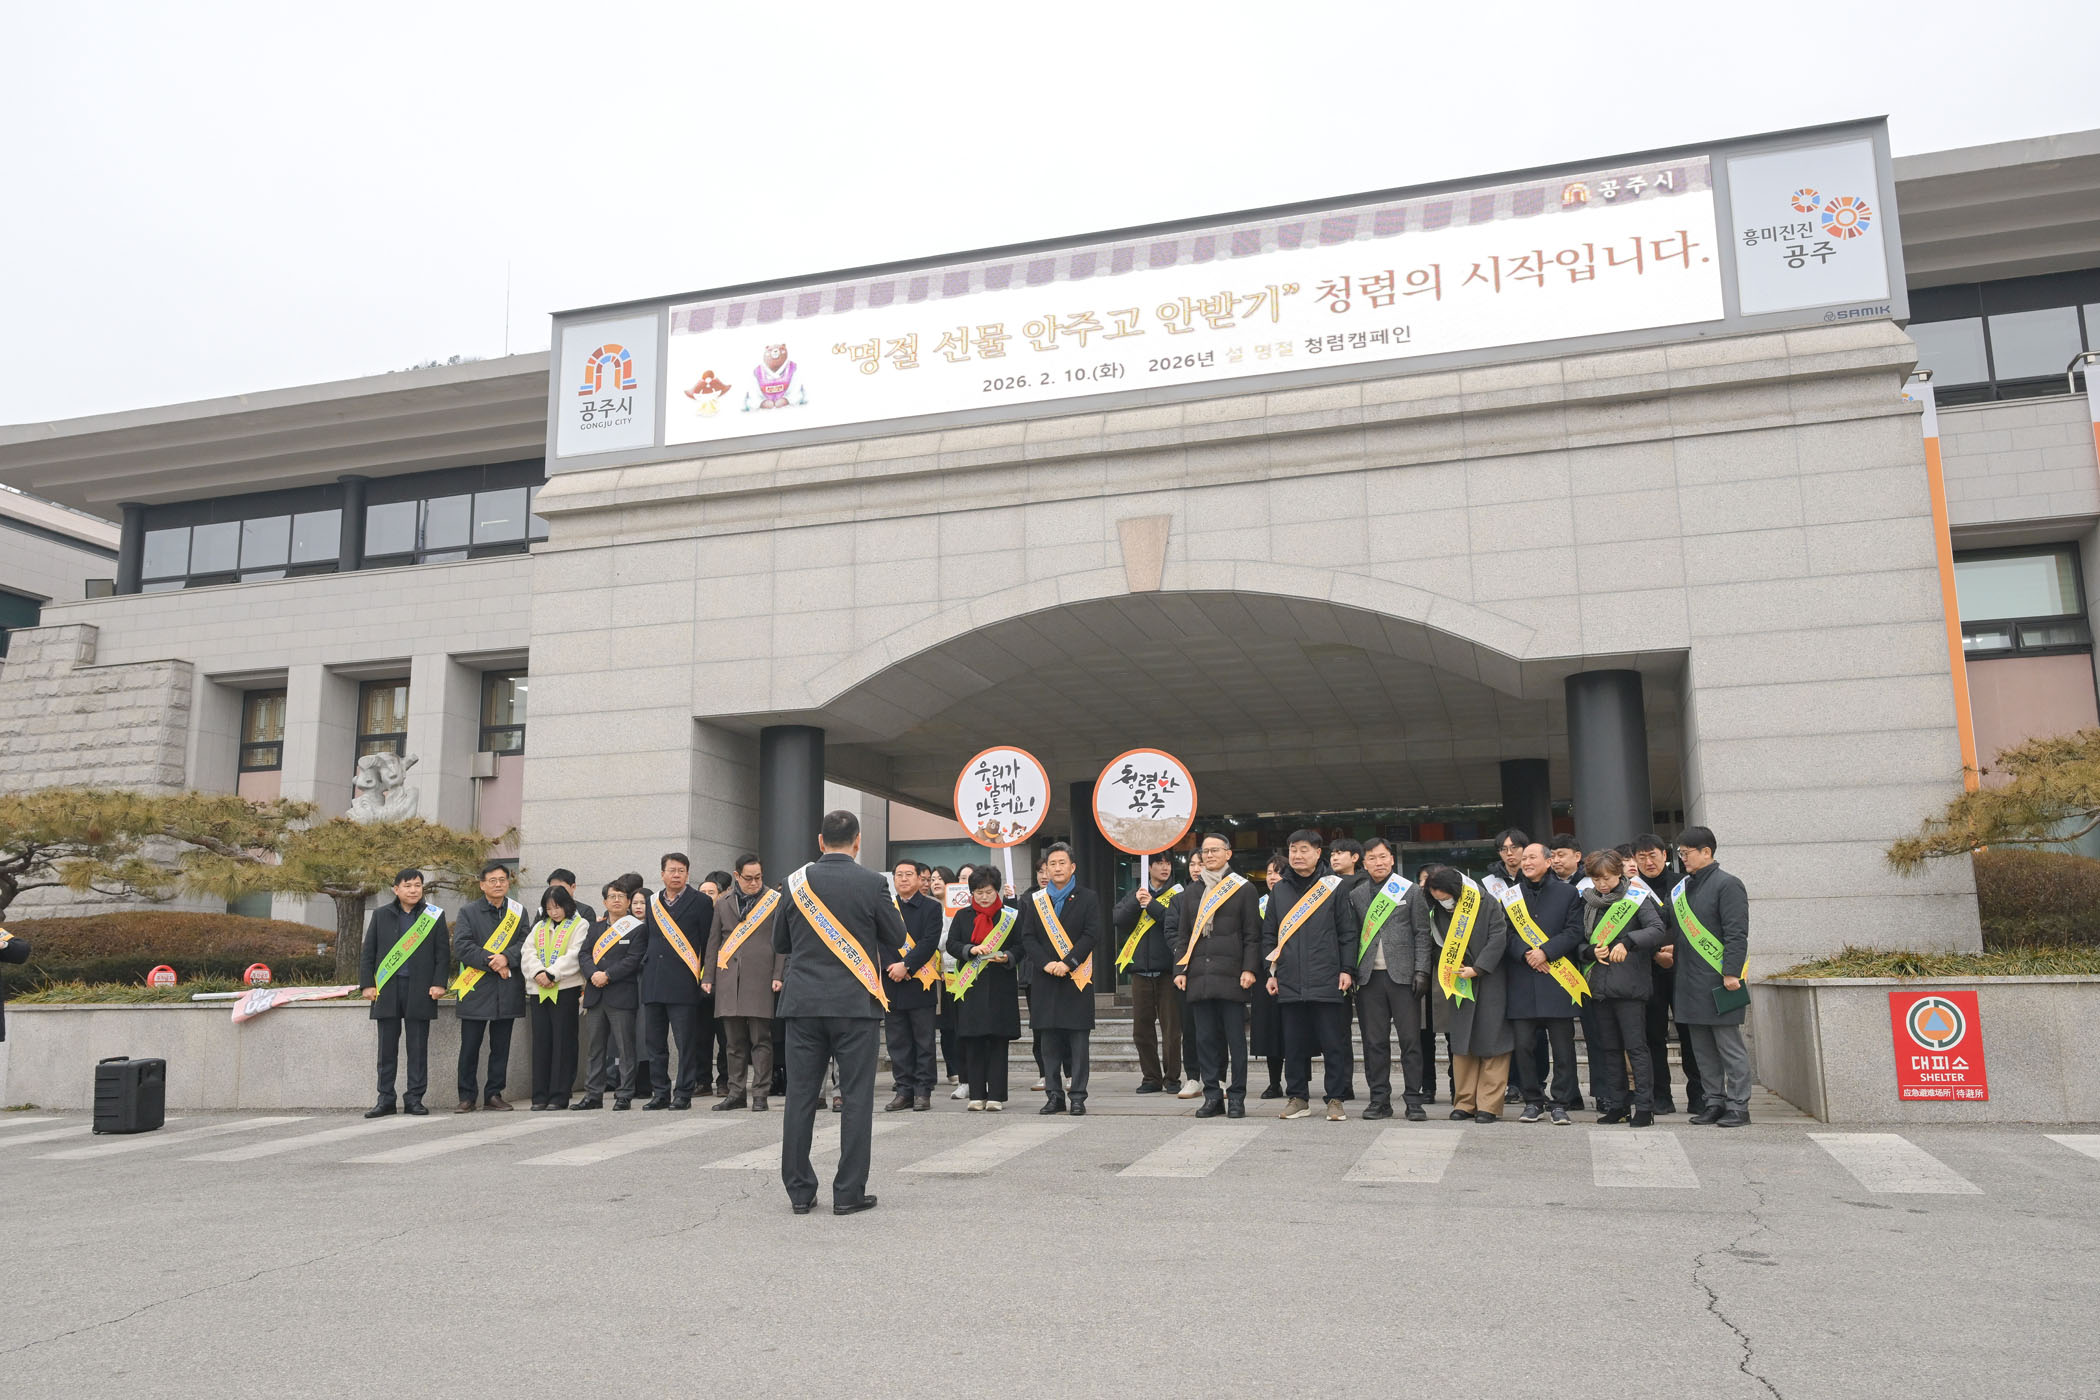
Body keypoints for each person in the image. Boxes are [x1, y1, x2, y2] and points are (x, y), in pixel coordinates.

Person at [775, 808, 909, 1216]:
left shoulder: (794, 883)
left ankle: (800, 1193)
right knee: (856, 1099)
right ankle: (848, 1193)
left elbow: (781, 942)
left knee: (800, 1097)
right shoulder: (873, 883)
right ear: (858, 841)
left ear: (820, 841)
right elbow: (897, 935)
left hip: (803, 1004)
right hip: (854, 1006)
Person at [1262, 830, 1355, 1122]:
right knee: (1293, 1044)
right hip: (1289, 978)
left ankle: (1335, 1099)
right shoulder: (1280, 890)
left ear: (1317, 852)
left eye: (1304, 849)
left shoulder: (1335, 887)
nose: (1297, 855)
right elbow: (1269, 935)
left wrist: (1347, 969)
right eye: (1293, 850)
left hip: (1327, 977)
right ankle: (1298, 1098)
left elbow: (1347, 932)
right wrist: (1270, 972)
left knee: (1333, 1043)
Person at [1492, 842, 1586, 1125]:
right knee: (1524, 1047)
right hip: (1522, 980)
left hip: (1557, 979)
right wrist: (1525, 953)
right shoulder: (1510, 896)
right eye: (1524, 859)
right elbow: (1505, 933)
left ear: (1548, 862)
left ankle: (1560, 1102)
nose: (1526, 862)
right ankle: (1533, 1101)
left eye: (1532, 857)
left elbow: (1575, 931)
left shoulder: (1568, 893)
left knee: (1563, 1049)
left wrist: (1546, 952)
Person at [1574, 850, 1670, 1125]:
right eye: (1596, 879)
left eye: (1607, 878)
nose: (1602, 884)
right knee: (1610, 1048)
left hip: (1629, 986)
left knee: (1636, 1048)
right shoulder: (1588, 901)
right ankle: (1618, 1105)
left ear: (1619, 873)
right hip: (1598, 985)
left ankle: (1644, 1107)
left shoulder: (1636, 897)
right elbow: (1578, 939)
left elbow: (1657, 929)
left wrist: (1628, 942)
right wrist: (1590, 951)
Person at [1171, 830, 1262, 1118]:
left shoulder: (1243, 888)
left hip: (1232, 975)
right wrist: (1180, 969)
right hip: (1200, 975)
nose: (1209, 855)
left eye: (1215, 850)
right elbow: (1183, 935)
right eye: (1205, 851)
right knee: (1205, 1040)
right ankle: (1212, 1096)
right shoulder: (1192, 891)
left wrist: (1249, 968)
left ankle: (1237, 1097)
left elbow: (1252, 935)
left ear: (1228, 853)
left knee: (1236, 1041)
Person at [1671, 826, 1753, 1127]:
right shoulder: (1683, 888)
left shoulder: (1728, 884)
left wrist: (1731, 972)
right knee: (1702, 1050)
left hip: (1720, 980)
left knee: (1729, 1048)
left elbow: (1736, 933)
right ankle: (1714, 1101)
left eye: (1686, 853)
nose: (1682, 859)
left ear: (1706, 852)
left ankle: (1739, 1105)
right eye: (1680, 854)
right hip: (1688, 980)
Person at [1349, 838, 1433, 1121]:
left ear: (1392, 859)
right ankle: (1379, 1100)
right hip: (1369, 979)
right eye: (1372, 858)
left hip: (1404, 978)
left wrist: (1422, 971)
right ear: (1364, 863)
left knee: (1410, 1041)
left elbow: (1422, 933)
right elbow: (1352, 936)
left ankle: (1414, 1100)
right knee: (1374, 1042)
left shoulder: (1411, 890)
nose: (1378, 862)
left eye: (1383, 856)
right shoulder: (1357, 895)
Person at [356, 867, 450, 1118]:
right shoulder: (381, 915)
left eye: (417, 885)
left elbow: (443, 953)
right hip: (387, 988)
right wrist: (367, 984)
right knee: (386, 1048)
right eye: (408, 886)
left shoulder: (433, 916)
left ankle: (414, 1099)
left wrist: (440, 983)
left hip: (420, 989)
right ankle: (385, 1099)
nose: (413, 890)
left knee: (417, 1047)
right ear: (396, 889)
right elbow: (369, 952)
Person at [1018, 841, 1101, 1115]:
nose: (1056, 868)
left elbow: (1091, 934)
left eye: (1061, 863)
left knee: (1078, 1043)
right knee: (1049, 1042)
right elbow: (1028, 937)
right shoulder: (1036, 901)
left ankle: (1077, 1096)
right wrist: (1047, 963)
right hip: (1045, 980)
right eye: (1051, 864)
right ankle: (1054, 1096)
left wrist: (1068, 963)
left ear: (1072, 866)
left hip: (1076, 978)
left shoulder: (1088, 898)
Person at [1425, 867, 1512, 1121]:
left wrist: (1479, 967)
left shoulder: (1486, 902)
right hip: (1459, 980)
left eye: (1446, 898)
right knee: (1462, 1044)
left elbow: (1498, 936)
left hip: (1489, 979)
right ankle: (1464, 1102)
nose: (1444, 903)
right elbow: (1436, 944)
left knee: (1493, 1041)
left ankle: (1489, 1105)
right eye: (1438, 899)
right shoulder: (1437, 910)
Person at [701, 854, 785, 1111]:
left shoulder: (774, 901)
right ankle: (736, 1093)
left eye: (758, 877)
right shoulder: (723, 903)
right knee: (733, 1042)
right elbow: (714, 941)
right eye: (748, 878)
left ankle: (760, 1094)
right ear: (736, 876)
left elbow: (782, 942)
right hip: (728, 978)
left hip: (761, 977)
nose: (754, 883)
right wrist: (708, 977)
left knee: (761, 1040)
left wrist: (778, 974)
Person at [639, 852, 715, 1110]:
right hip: (653, 981)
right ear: (662, 874)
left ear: (687, 874)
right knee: (655, 1044)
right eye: (671, 870)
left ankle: (683, 1092)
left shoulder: (701, 902)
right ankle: (660, 1093)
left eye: (681, 871)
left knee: (686, 1043)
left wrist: (705, 977)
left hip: (684, 983)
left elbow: (708, 942)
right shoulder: (652, 902)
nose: (676, 875)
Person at [450, 861, 527, 1112]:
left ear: (508, 883)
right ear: (482, 885)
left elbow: (526, 942)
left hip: (507, 988)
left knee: (501, 1047)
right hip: (476, 988)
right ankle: (466, 1097)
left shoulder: (518, 911)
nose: (498, 884)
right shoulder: (468, 912)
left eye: (502, 880)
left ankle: (494, 1094)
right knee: (470, 1047)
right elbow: (462, 946)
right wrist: (493, 962)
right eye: (492, 880)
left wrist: (507, 958)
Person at [946, 865, 1023, 1111]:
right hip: (971, 986)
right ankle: (977, 1095)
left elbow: (1021, 945)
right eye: (978, 892)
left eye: (988, 892)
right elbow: (952, 944)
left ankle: (997, 1096)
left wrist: (1008, 956)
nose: (984, 897)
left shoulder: (1009, 916)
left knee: (998, 1041)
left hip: (1000, 985)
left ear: (996, 890)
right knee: (974, 1040)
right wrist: (970, 950)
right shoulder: (963, 916)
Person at [1633, 834, 1698, 1115]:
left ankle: (1698, 1096)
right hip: (1648, 972)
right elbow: (1629, 930)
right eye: (1642, 857)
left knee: (1689, 1034)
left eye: (1653, 855)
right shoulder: (1630, 889)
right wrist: (1654, 954)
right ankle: (1661, 1097)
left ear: (1664, 855)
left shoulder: (1684, 884)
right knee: (1654, 1037)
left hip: (1682, 970)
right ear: (1635, 860)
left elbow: (1695, 924)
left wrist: (1676, 951)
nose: (1648, 862)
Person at [1113, 851, 1185, 1095]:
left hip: (1168, 972)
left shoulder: (1178, 894)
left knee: (1171, 1029)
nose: (1164, 868)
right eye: (1159, 863)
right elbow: (1119, 920)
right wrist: (1137, 902)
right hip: (1140, 972)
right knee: (1142, 1030)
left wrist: (1152, 905)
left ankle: (1172, 1078)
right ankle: (1151, 1077)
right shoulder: (1135, 894)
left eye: (1168, 863)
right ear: (1149, 867)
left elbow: (1177, 923)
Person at [882, 859, 945, 1112]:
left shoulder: (931, 907)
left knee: (923, 1041)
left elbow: (929, 942)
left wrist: (906, 966)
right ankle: (903, 1090)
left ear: (920, 879)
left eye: (909, 874)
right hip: (892, 982)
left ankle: (922, 1091)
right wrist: (893, 967)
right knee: (897, 1041)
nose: (904, 879)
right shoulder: (887, 907)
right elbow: (880, 941)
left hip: (921, 982)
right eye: (899, 874)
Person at [579, 875, 645, 1110]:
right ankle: (593, 1095)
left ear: (628, 901)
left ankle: (624, 1094)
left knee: (625, 1048)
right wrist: (593, 974)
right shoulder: (595, 927)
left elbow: (633, 959)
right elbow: (584, 954)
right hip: (596, 995)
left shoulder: (638, 929)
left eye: (621, 896)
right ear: (604, 902)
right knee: (595, 1048)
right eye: (612, 896)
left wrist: (607, 975)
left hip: (621, 995)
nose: (616, 900)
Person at [520, 886, 587, 1110]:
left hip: (565, 988)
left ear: (567, 905)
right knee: (541, 1042)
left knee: (563, 1042)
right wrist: (538, 972)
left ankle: (559, 1095)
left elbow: (575, 954)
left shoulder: (580, 925)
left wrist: (552, 974)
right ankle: (539, 1096)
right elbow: (527, 952)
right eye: (549, 908)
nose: (554, 912)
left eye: (557, 907)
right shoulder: (539, 926)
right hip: (538, 989)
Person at [1324, 837, 1366, 1101]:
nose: (1334, 858)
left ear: (1355, 857)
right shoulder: (1324, 885)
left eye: (1340, 853)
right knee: (1338, 1032)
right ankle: (1342, 1084)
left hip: (1366, 965)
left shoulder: (1366, 884)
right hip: (1336, 967)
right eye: (1332, 854)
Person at [1250, 856, 1287, 1099]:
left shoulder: (1298, 901)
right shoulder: (1259, 904)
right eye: (1270, 872)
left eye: (1279, 872)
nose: (1273, 877)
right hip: (1266, 975)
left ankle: (1298, 1083)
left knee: (1295, 1032)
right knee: (1271, 1031)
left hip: (1294, 973)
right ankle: (1274, 1083)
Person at [936, 865, 967, 1095]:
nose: (935, 882)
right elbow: (939, 942)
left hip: (971, 970)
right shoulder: (936, 908)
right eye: (932, 879)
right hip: (946, 972)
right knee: (949, 1025)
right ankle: (955, 1070)